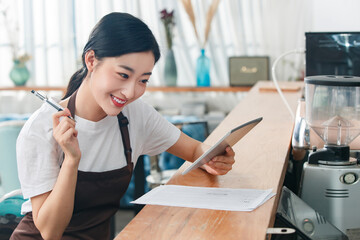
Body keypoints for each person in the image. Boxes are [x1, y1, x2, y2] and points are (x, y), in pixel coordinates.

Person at [10, 12, 235, 240]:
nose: (130, 92)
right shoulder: (40, 129)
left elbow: (195, 150)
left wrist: (214, 158)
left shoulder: (136, 115)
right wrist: (71, 160)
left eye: (143, 80)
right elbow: (50, 231)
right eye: (123, 74)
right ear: (91, 60)